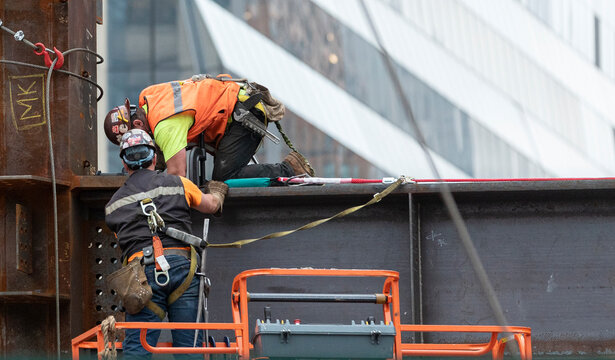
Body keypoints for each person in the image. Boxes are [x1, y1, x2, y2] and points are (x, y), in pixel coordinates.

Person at [104, 129, 228, 358]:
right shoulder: (178, 184)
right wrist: (218, 192)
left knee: (137, 349)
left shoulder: (113, 206)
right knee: (189, 347)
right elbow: (210, 205)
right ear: (153, 158)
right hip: (183, 269)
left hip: (142, 276)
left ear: (124, 163)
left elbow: (123, 240)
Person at [103, 75, 314, 180]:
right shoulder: (148, 96)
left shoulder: (164, 126)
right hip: (234, 102)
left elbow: (178, 176)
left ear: (138, 124)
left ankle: (290, 168)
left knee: (225, 175)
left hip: (243, 114)